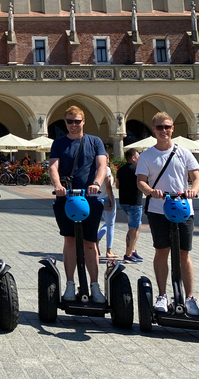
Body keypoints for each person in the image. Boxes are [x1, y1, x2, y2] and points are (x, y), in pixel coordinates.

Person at [136, 111, 199, 316]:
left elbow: (197, 178)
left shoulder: (184, 153)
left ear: (173, 128)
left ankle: (189, 297)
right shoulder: (147, 155)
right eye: (159, 127)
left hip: (183, 210)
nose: (163, 130)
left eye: (167, 127)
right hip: (158, 210)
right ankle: (163, 295)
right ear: (153, 129)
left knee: (184, 253)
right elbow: (140, 181)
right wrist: (150, 192)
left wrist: (194, 190)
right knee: (162, 251)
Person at [48, 106, 107, 304]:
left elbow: (101, 166)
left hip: (89, 199)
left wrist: (96, 184)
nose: (73, 125)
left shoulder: (95, 141)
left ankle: (95, 285)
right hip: (66, 199)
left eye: (77, 121)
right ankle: (70, 284)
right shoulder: (59, 143)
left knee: (90, 243)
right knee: (70, 241)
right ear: (65, 123)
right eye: (69, 121)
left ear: (83, 121)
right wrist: (57, 186)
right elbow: (53, 166)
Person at [115, 149, 144, 262]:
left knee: (138, 226)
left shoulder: (121, 170)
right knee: (133, 228)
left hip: (124, 201)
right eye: (138, 156)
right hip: (134, 202)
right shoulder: (137, 170)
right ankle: (128, 254)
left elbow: (117, 185)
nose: (139, 159)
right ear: (133, 158)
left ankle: (132, 250)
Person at [96, 152, 118, 259]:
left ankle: (96, 239)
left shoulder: (95, 169)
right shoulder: (106, 169)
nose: (108, 159)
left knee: (107, 223)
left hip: (96, 198)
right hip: (106, 198)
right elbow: (108, 186)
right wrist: (112, 200)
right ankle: (109, 250)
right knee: (110, 225)